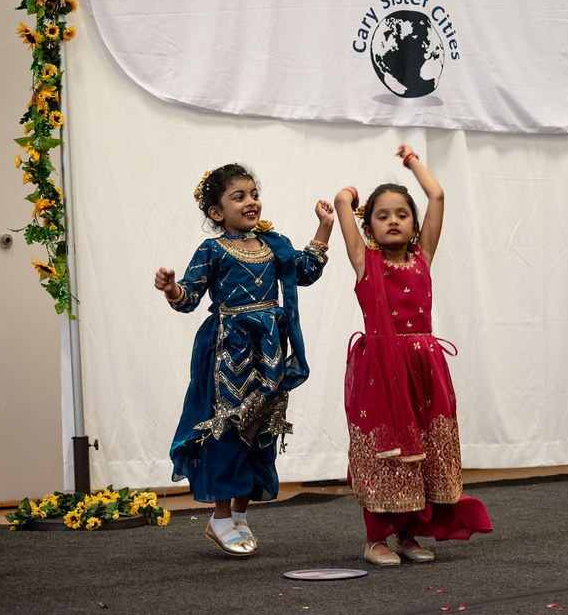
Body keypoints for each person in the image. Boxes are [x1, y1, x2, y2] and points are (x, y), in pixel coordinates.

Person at [153, 163, 333, 556]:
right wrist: (171, 290)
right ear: (216, 213)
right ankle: (219, 517)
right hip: (227, 352)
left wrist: (324, 226)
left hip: (267, 351)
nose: (251, 202)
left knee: (260, 426)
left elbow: (305, 271)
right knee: (228, 428)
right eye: (239, 197)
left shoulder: (273, 244)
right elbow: (190, 299)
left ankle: (238, 513)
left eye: (253, 194)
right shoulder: (212, 249)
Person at [332, 145, 492, 567]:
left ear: (414, 224)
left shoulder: (423, 256)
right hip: (381, 374)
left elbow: (437, 196)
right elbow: (342, 208)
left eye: (402, 214)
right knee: (385, 454)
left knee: (422, 449)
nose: (393, 221)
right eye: (382, 216)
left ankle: (407, 534)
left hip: (424, 368)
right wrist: (345, 200)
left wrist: (412, 162)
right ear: (370, 228)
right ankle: (375, 539)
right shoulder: (365, 262)